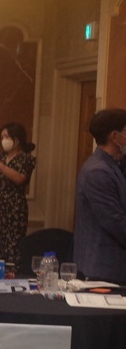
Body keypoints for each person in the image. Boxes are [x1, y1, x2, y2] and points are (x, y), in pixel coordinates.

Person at [73, 108, 126, 285]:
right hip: (104, 269)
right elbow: (116, 222)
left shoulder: (116, 165)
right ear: (115, 136)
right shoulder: (97, 171)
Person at [0, 122, 36, 275]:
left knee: (13, 246)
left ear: (17, 139)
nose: (4, 140)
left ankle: (11, 278)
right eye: (2, 137)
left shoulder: (26, 159)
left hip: (15, 207)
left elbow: (19, 178)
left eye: (7, 136)